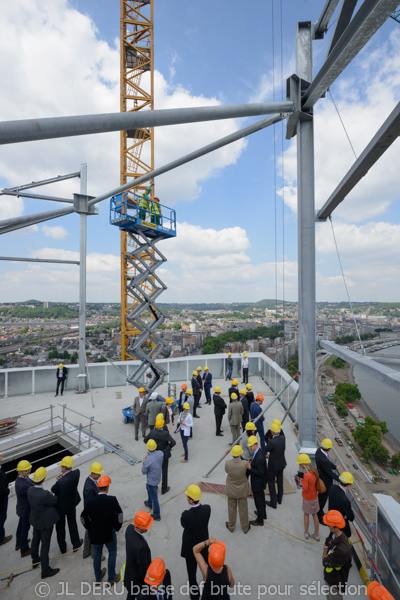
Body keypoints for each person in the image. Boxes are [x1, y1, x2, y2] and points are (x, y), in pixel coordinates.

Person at [81, 475, 123, 585]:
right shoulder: (112, 500)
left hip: (96, 534)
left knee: (97, 555)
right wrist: (117, 527)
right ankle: (112, 577)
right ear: (107, 488)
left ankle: (98, 577)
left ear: (98, 488)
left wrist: (89, 527)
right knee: (112, 552)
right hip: (109, 532)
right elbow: (120, 515)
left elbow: (82, 517)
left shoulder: (91, 502)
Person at [28, 467, 60, 579]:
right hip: (44, 523)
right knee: (45, 545)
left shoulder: (30, 490)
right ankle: (45, 570)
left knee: (35, 539)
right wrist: (51, 494)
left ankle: (35, 559)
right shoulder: (44, 494)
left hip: (35, 520)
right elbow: (54, 500)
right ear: (44, 478)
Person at [180, 484, 211, 600]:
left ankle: (194, 596)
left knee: (192, 575)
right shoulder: (207, 509)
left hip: (191, 549)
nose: (187, 498)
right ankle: (208, 593)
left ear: (191, 500)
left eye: (188, 497)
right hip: (203, 547)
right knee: (206, 572)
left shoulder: (186, 515)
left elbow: (183, 524)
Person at [51, 455, 82, 554]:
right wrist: (63, 475)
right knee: (72, 524)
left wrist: (60, 478)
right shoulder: (76, 474)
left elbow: (53, 489)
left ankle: (63, 549)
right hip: (71, 504)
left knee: (60, 528)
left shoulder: (60, 483)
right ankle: (76, 544)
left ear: (64, 467)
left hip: (61, 507)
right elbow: (75, 472)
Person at [322, 510, 352, 600]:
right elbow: (327, 541)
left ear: (336, 527)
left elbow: (325, 562)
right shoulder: (334, 533)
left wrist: (325, 552)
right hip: (329, 578)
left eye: (329, 524)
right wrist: (326, 548)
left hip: (335, 583)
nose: (328, 526)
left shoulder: (342, 550)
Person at [123, 511, 153, 600]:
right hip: (137, 580)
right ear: (141, 528)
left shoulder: (129, 529)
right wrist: (148, 584)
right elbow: (143, 568)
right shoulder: (141, 547)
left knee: (131, 594)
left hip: (129, 574)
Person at [144, 418, 176, 495]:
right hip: (164, 454)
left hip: (154, 455)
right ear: (162, 426)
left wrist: (152, 447)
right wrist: (168, 447)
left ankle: (155, 486)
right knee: (164, 471)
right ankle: (164, 488)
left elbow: (145, 440)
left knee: (155, 471)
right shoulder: (165, 433)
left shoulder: (152, 433)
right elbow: (173, 442)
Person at [225, 445, 250, 534]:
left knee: (231, 508)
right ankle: (245, 528)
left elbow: (227, 471)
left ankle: (231, 526)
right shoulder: (244, 463)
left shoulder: (227, 463)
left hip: (231, 489)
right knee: (243, 508)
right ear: (239, 455)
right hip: (242, 489)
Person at [315, 439, 340, 524]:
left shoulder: (319, 451)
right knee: (322, 499)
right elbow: (329, 473)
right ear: (329, 449)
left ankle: (320, 511)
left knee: (321, 498)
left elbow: (328, 463)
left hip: (321, 476)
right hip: (325, 482)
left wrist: (334, 466)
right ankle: (319, 516)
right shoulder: (323, 460)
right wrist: (340, 479)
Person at [82, 461, 104, 560]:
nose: (100, 475)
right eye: (98, 474)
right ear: (93, 473)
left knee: (89, 532)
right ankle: (95, 554)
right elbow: (90, 505)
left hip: (89, 515)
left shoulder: (90, 481)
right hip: (92, 515)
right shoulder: (90, 488)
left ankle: (86, 552)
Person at [296, 454, 320, 541]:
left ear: (303, 464)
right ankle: (316, 534)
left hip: (307, 498)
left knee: (306, 514)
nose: (299, 465)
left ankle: (306, 532)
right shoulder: (314, 472)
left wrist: (301, 479)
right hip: (314, 497)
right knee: (315, 515)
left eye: (300, 464)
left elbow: (305, 488)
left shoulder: (306, 475)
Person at [15, 459, 35, 556]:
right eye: (27, 470)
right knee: (24, 529)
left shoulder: (23, 478)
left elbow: (31, 483)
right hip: (25, 510)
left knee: (20, 526)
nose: (29, 471)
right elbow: (32, 490)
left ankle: (19, 543)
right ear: (21, 472)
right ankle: (24, 549)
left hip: (22, 508)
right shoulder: (22, 485)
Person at [246, 436, 267, 526]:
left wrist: (250, 468)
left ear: (255, 444)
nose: (250, 447)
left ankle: (259, 520)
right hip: (259, 482)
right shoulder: (258, 452)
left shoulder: (260, 458)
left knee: (258, 501)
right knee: (261, 498)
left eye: (251, 446)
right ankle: (263, 514)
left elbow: (260, 472)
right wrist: (252, 461)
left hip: (258, 483)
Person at [265, 422, 286, 509]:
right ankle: (279, 498)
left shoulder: (272, 442)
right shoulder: (283, 438)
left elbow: (266, 449)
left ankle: (273, 502)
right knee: (280, 480)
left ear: (272, 432)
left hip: (273, 465)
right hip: (281, 463)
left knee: (271, 482)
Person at [328, 472, 355, 538]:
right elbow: (351, 517)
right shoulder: (345, 500)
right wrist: (345, 515)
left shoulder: (332, 487)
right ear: (348, 485)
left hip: (331, 518)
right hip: (338, 525)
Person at [142, 440, 163, 521]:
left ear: (148, 448)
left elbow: (143, 471)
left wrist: (143, 462)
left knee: (155, 497)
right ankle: (149, 502)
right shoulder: (160, 453)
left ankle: (157, 515)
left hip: (152, 481)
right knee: (147, 487)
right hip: (157, 477)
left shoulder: (148, 460)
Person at [0, 451, 12, 546]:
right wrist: (7, 491)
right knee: (2, 517)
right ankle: (1, 538)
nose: (1, 457)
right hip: (2, 499)